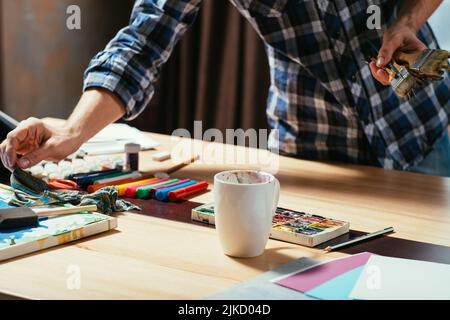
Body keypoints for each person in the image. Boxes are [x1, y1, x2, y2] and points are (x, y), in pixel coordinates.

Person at [1, 0, 449, 176]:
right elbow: (142, 42)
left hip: (419, 129)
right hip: (313, 152)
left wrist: (408, 21)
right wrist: (73, 132)